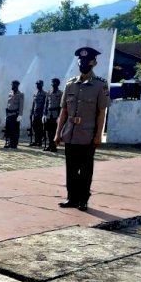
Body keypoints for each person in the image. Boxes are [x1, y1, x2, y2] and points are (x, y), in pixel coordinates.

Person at [54, 47, 110, 212]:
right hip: (70, 133)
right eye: (81, 61)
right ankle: (72, 198)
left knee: (85, 170)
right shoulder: (70, 84)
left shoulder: (100, 85)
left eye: (87, 61)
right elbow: (64, 111)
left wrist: (98, 135)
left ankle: (83, 199)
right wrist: (58, 133)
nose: (83, 64)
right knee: (70, 168)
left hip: (87, 134)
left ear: (94, 63)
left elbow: (102, 112)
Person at [44, 78, 63, 152]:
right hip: (49, 114)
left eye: (54, 83)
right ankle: (49, 145)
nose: (53, 84)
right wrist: (44, 114)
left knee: (55, 131)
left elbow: (62, 106)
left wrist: (59, 116)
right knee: (49, 131)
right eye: (52, 83)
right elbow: (46, 104)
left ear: (58, 84)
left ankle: (54, 146)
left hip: (56, 114)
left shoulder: (60, 93)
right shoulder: (48, 92)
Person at [4, 80, 24, 149]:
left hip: (15, 115)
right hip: (9, 114)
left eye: (13, 85)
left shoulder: (20, 94)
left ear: (16, 86)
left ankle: (14, 144)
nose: (12, 86)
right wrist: (6, 114)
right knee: (8, 129)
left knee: (14, 130)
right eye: (12, 85)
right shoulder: (10, 93)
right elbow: (8, 103)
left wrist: (20, 115)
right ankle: (9, 142)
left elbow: (21, 105)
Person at [29, 80, 46, 147]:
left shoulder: (45, 94)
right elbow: (33, 103)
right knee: (35, 127)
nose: (37, 85)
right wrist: (31, 113)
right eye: (37, 84)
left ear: (42, 85)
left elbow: (45, 104)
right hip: (35, 113)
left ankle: (40, 141)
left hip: (41, 113)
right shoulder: (35, 93)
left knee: (40, 127)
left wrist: (44, 113)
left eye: (39, 84)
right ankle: (36, 141)